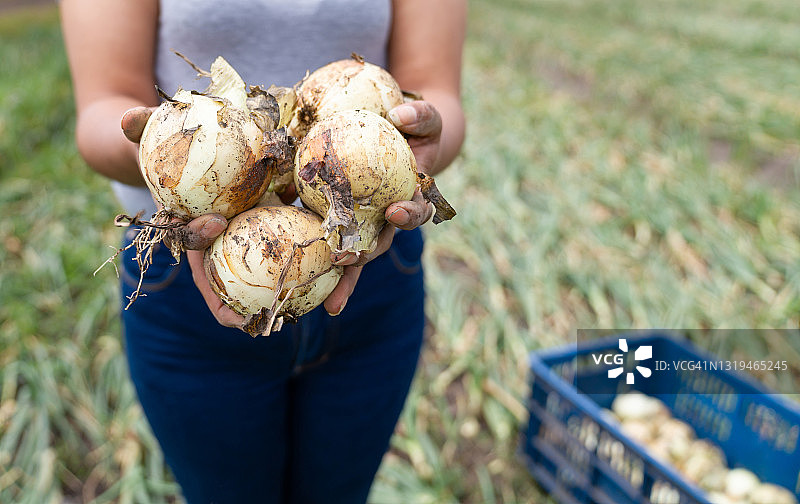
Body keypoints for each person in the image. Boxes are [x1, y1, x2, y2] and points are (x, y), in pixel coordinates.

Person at [60, 1, 466, 502]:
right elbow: (101, 106)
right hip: (188, 276)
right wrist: (173, 153)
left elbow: (437, 90)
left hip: (374, 270)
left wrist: (419, 145)